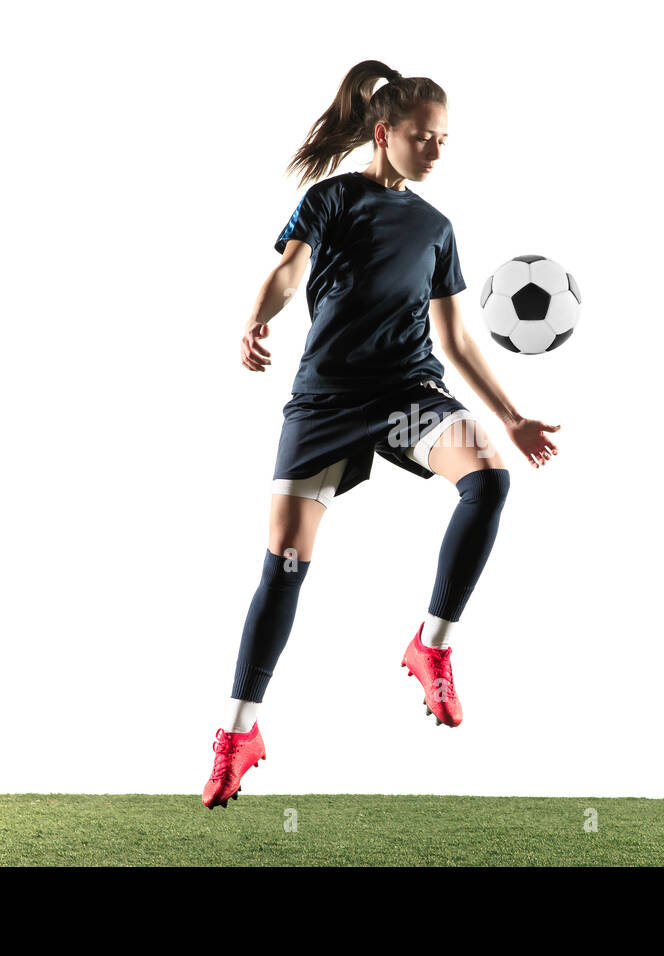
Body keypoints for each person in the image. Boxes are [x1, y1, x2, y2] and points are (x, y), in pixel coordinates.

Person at [203, 59, 561, 809]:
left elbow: (457, 340)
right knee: (286, 568)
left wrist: (512, 416)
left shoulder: (436, 227)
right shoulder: (331, 198)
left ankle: (432, 644)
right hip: (328, 402)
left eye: (444, 140)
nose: (436, 150)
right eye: (423, 137)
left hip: (405, 395)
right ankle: (239, 733)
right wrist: (253, 319)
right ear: (383, 132)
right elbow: (288, 271)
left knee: (488, 479)